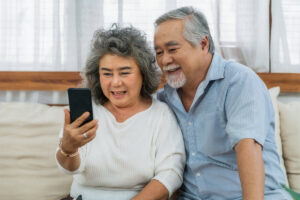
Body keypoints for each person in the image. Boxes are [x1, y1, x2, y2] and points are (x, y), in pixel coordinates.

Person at [154, 6, 291, 200]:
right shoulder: (164, 99)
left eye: (172, 49)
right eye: (159, 52)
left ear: (203, 44)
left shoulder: (239, 81)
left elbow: (248, 148)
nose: (164, 60)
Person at [55, 25, 186, 200]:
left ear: (143, 73)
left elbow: (171, 173)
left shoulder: (161, 114)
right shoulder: (85, 112)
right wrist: (68, 149)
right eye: (107, 74)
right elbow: (69, 168)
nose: (115, 83)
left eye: (125, 73)